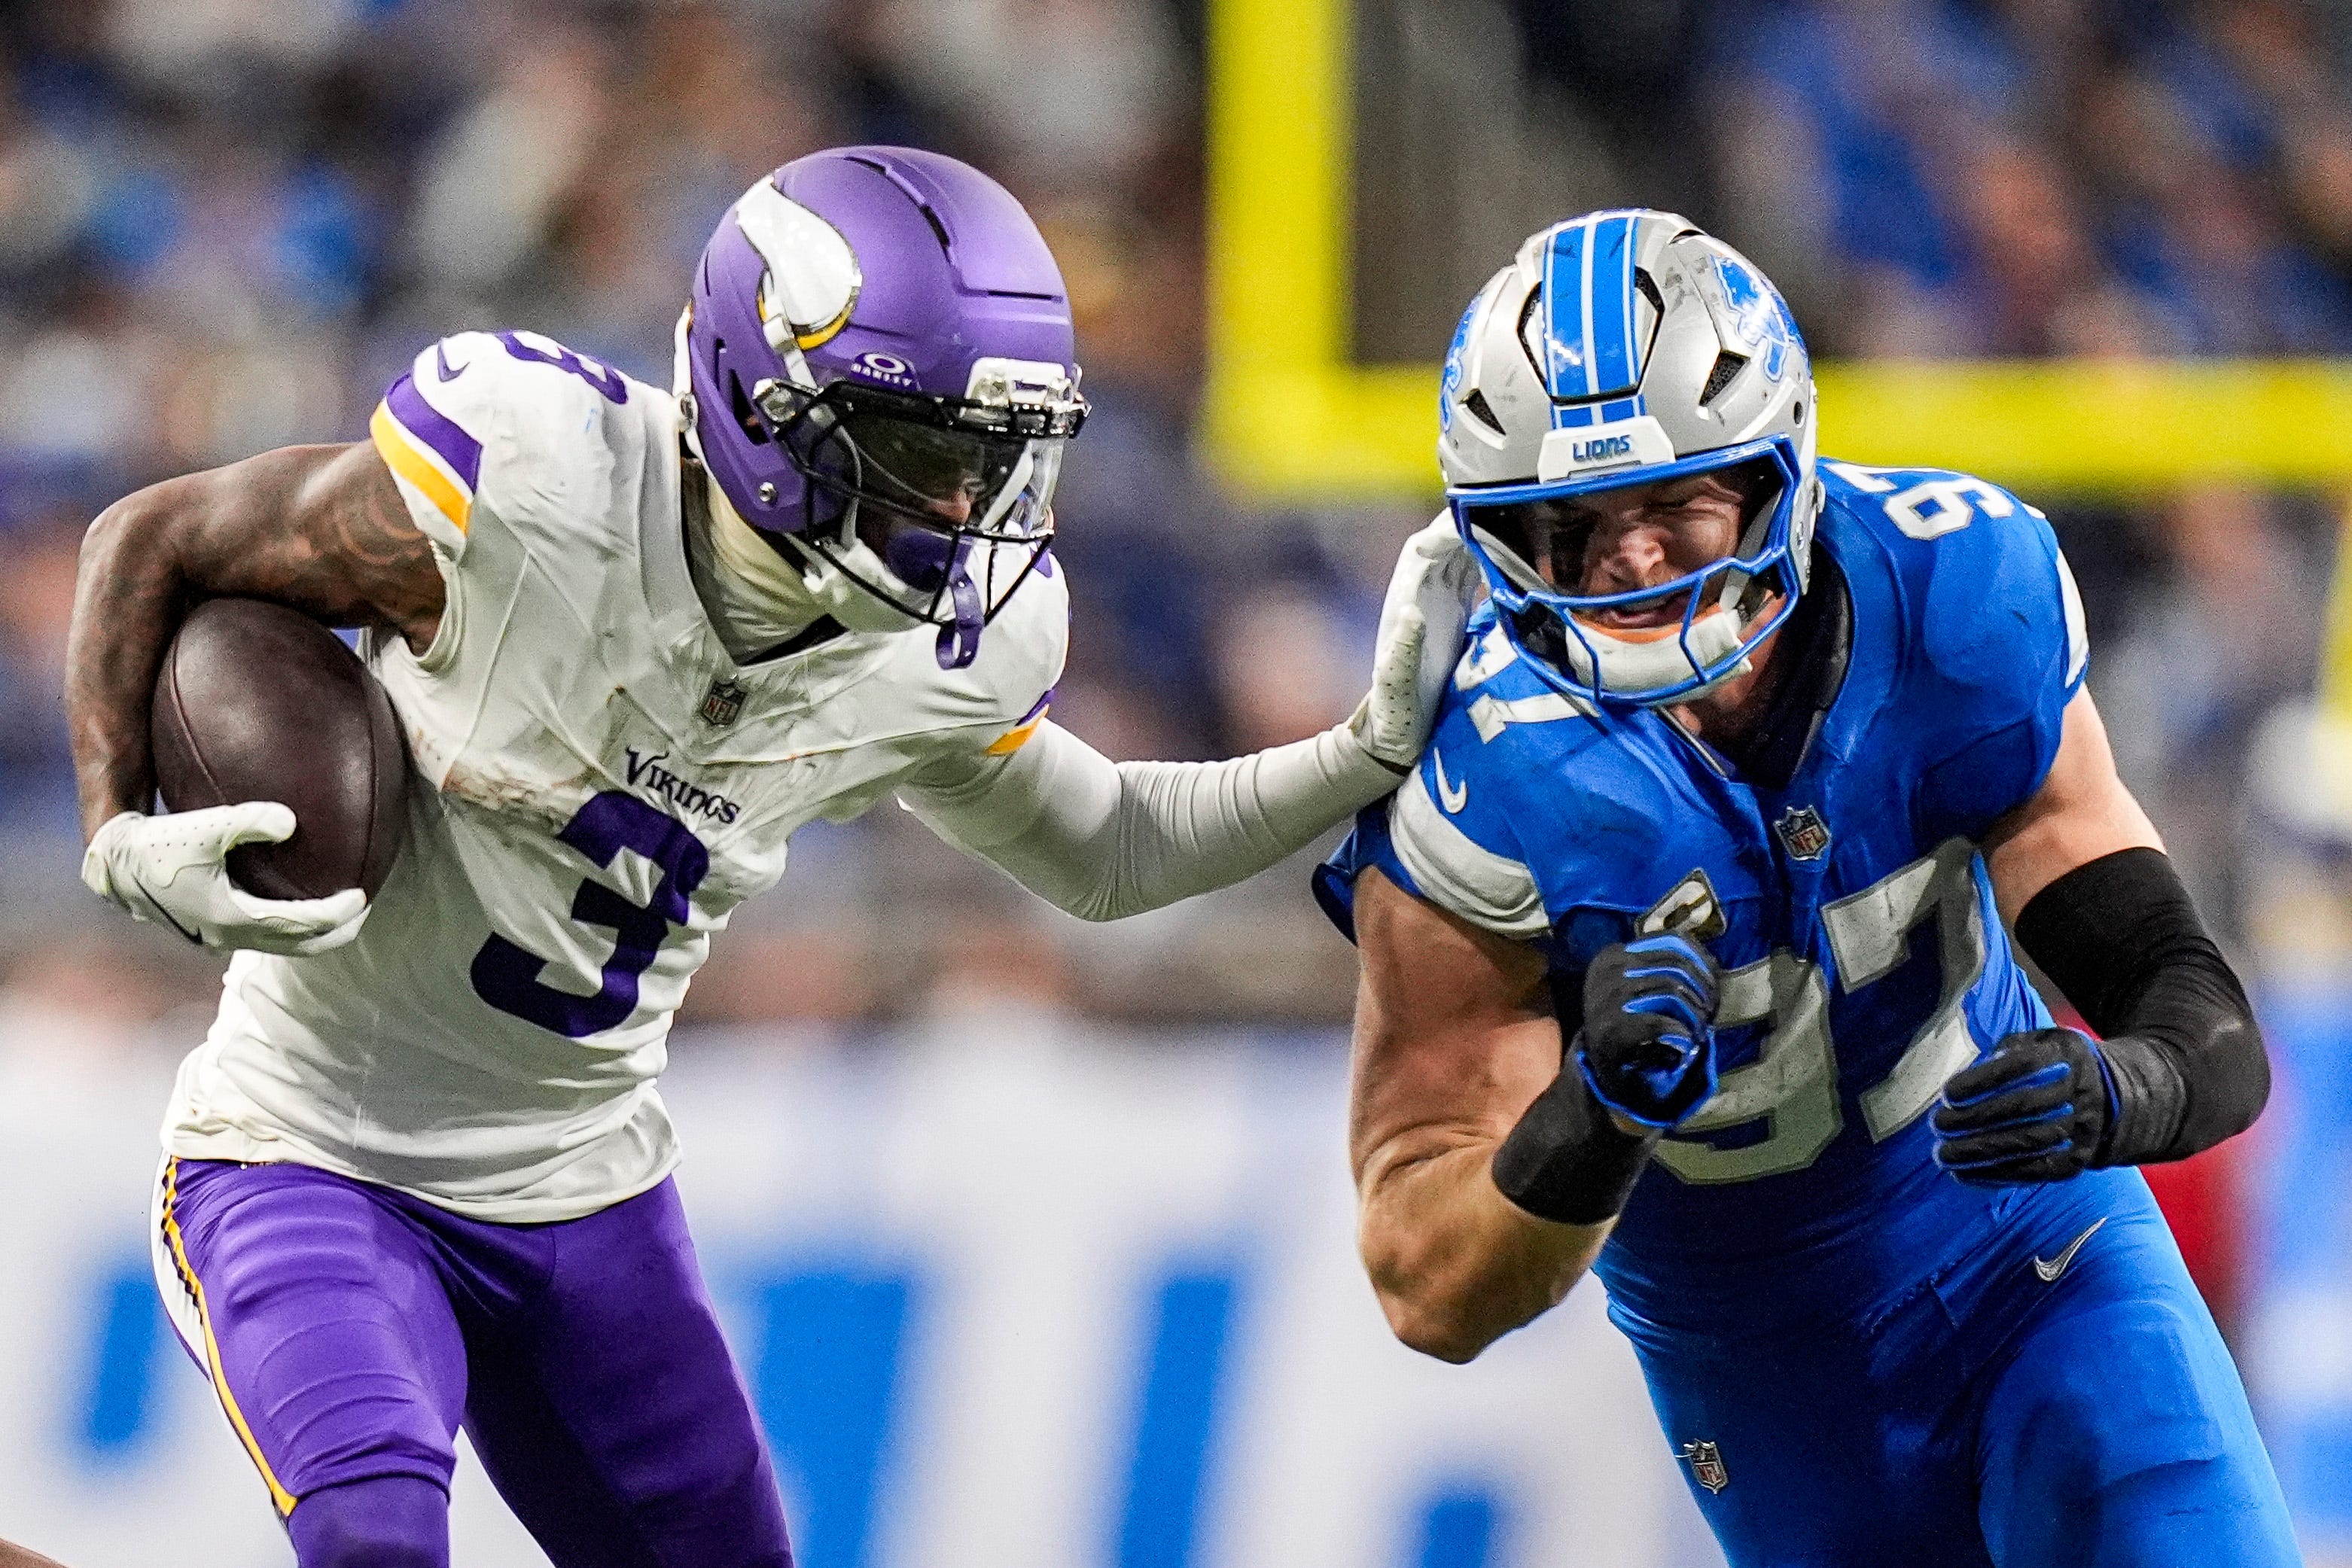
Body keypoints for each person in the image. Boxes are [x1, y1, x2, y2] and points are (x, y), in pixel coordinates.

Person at [63, 147, 1475, 1568]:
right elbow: (154, 539)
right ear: (764, 402)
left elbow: (1105, 851)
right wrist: (116, 817)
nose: (962, 514)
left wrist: (1356, 754)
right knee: (374, 1542)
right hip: (310, 1152)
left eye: (997, 463)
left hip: (586, 1185)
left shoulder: (938, 658)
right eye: (924, 456)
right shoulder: (527, 479)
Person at [1316, 209, 2298, 1566]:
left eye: (1676, 505)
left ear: (1781, 475)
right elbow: (1427, 1281)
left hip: (2039, 1261)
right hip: (1767, 1369)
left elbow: (2194, 1012)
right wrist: (1592, 1119)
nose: (1633, 566)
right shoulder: (1470, 776)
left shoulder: (1955, 593)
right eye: (1577, 525)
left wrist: (2132, 1086)